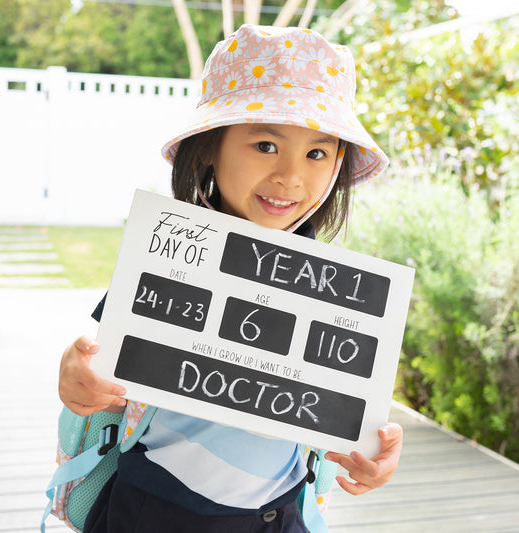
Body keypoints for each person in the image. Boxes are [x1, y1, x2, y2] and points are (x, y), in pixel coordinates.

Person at [58, 24, 403, 532]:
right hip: (158, 506)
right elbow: (95, 357)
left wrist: (374, 452)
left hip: (282, 512)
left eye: (316, 152)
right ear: (210, 148)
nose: (292, 176)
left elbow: (347, 414)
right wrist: (74, 372)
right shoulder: (169, 250)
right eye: (266, 144)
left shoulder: (335, 290)